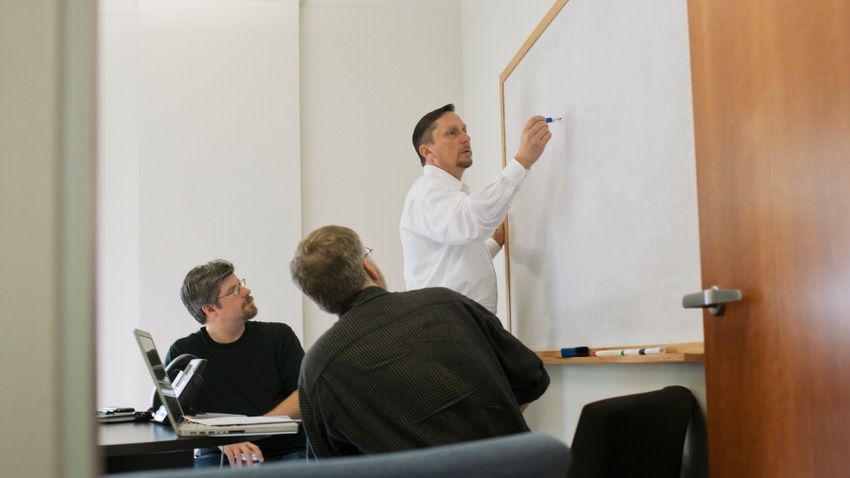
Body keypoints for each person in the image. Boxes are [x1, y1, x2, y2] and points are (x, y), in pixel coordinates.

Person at [289, 225, 550, 458]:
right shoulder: (448, 303)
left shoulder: (317, 368)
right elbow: (532, 378)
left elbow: (329, 466)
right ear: (369, 267)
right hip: (516, 468)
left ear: (319, 300)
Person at [400, 104, 553, 315]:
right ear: (427, 151)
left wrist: (494, 244)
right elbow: (474, 221)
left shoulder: (446, 196)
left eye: (464, 130)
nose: (466, 137)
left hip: (462, 329)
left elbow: (453, 265)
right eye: (452, 133)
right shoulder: (426, 193)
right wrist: (523, 160)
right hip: (450, 331)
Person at [165, 259, 306, 468]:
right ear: (210, 309)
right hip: (218, 457)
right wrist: (221, 438)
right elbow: (175, 414)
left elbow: (303, 396)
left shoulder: (279, 336)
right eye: (234, 290)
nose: (246, 291)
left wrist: (249, 432)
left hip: (287, 453)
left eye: (241, 284)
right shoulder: (183, 352)